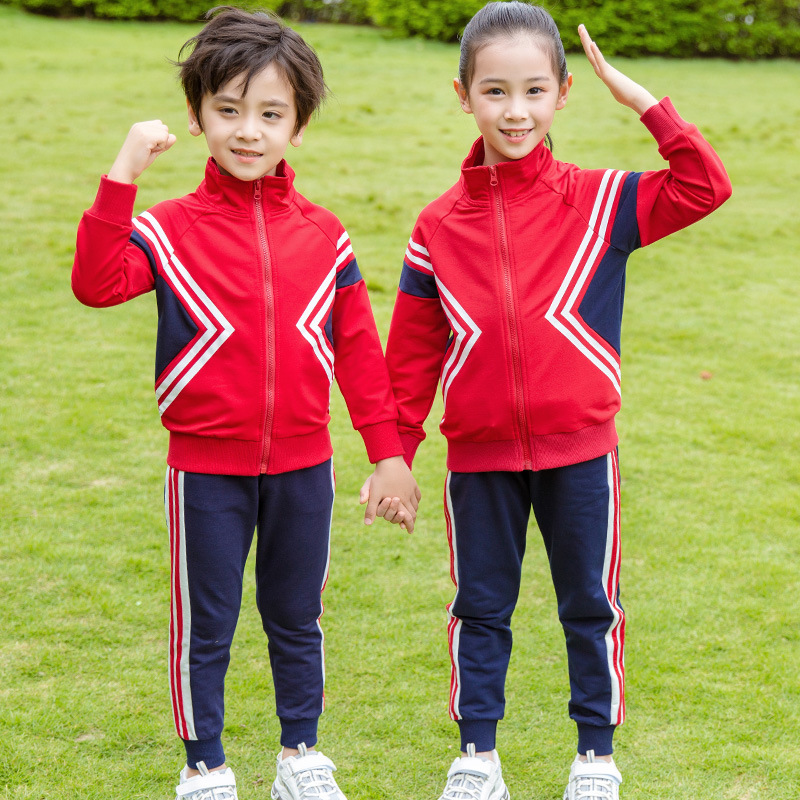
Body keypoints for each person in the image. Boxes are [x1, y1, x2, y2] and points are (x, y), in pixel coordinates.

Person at [384, 3, 731, 799]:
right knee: (480, 607)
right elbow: (412, 356)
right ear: (464, 95)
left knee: (590, 605)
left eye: (535, 91)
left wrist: (643, 101)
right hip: (478, 459)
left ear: (564, 93)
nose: (515, 111)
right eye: (496, 91)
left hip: (582, 452)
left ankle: (595, 759)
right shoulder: (437, 226)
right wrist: (395, 453)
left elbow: (707, 185)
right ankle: (477, 758)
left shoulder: (606, 202)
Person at [72, 7, 420, 800]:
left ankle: (301, 757)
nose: (248, 131)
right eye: (228, 111)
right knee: (208, 626)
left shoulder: (326, 236)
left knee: (297, 617)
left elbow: (362, 355)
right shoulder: (167, 230)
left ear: (298, 126)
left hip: (306, 467)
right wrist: (124, 170)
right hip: (207, 473)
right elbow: (94, 284)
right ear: (197, 117)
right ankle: (205, 767)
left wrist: (389, 454)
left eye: (271, 113)